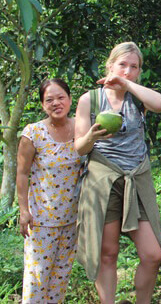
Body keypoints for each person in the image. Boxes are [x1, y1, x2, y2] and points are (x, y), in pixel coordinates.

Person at [74, 42, 161, 304]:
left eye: (133, 67)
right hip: (104, 180)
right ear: (110, 65)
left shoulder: (138, 96)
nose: (127, 70)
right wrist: (92, 135)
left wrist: (127, 85)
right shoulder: (90, 99)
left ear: (138, 71)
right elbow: (79, 148)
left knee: (152, 254)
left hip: (136, 178)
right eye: (122, 65)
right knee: (108, 252)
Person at [17, 78, 82, 303]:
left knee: (60, 280)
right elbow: (22, 173)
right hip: (41, 220)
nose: (56, 103)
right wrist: (24, 211)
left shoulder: (81, 129)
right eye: (49, 100)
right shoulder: (33, 133)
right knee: (37, 280)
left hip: (72, 220)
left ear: (70, 99)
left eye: (60, 97)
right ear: (43, 105)